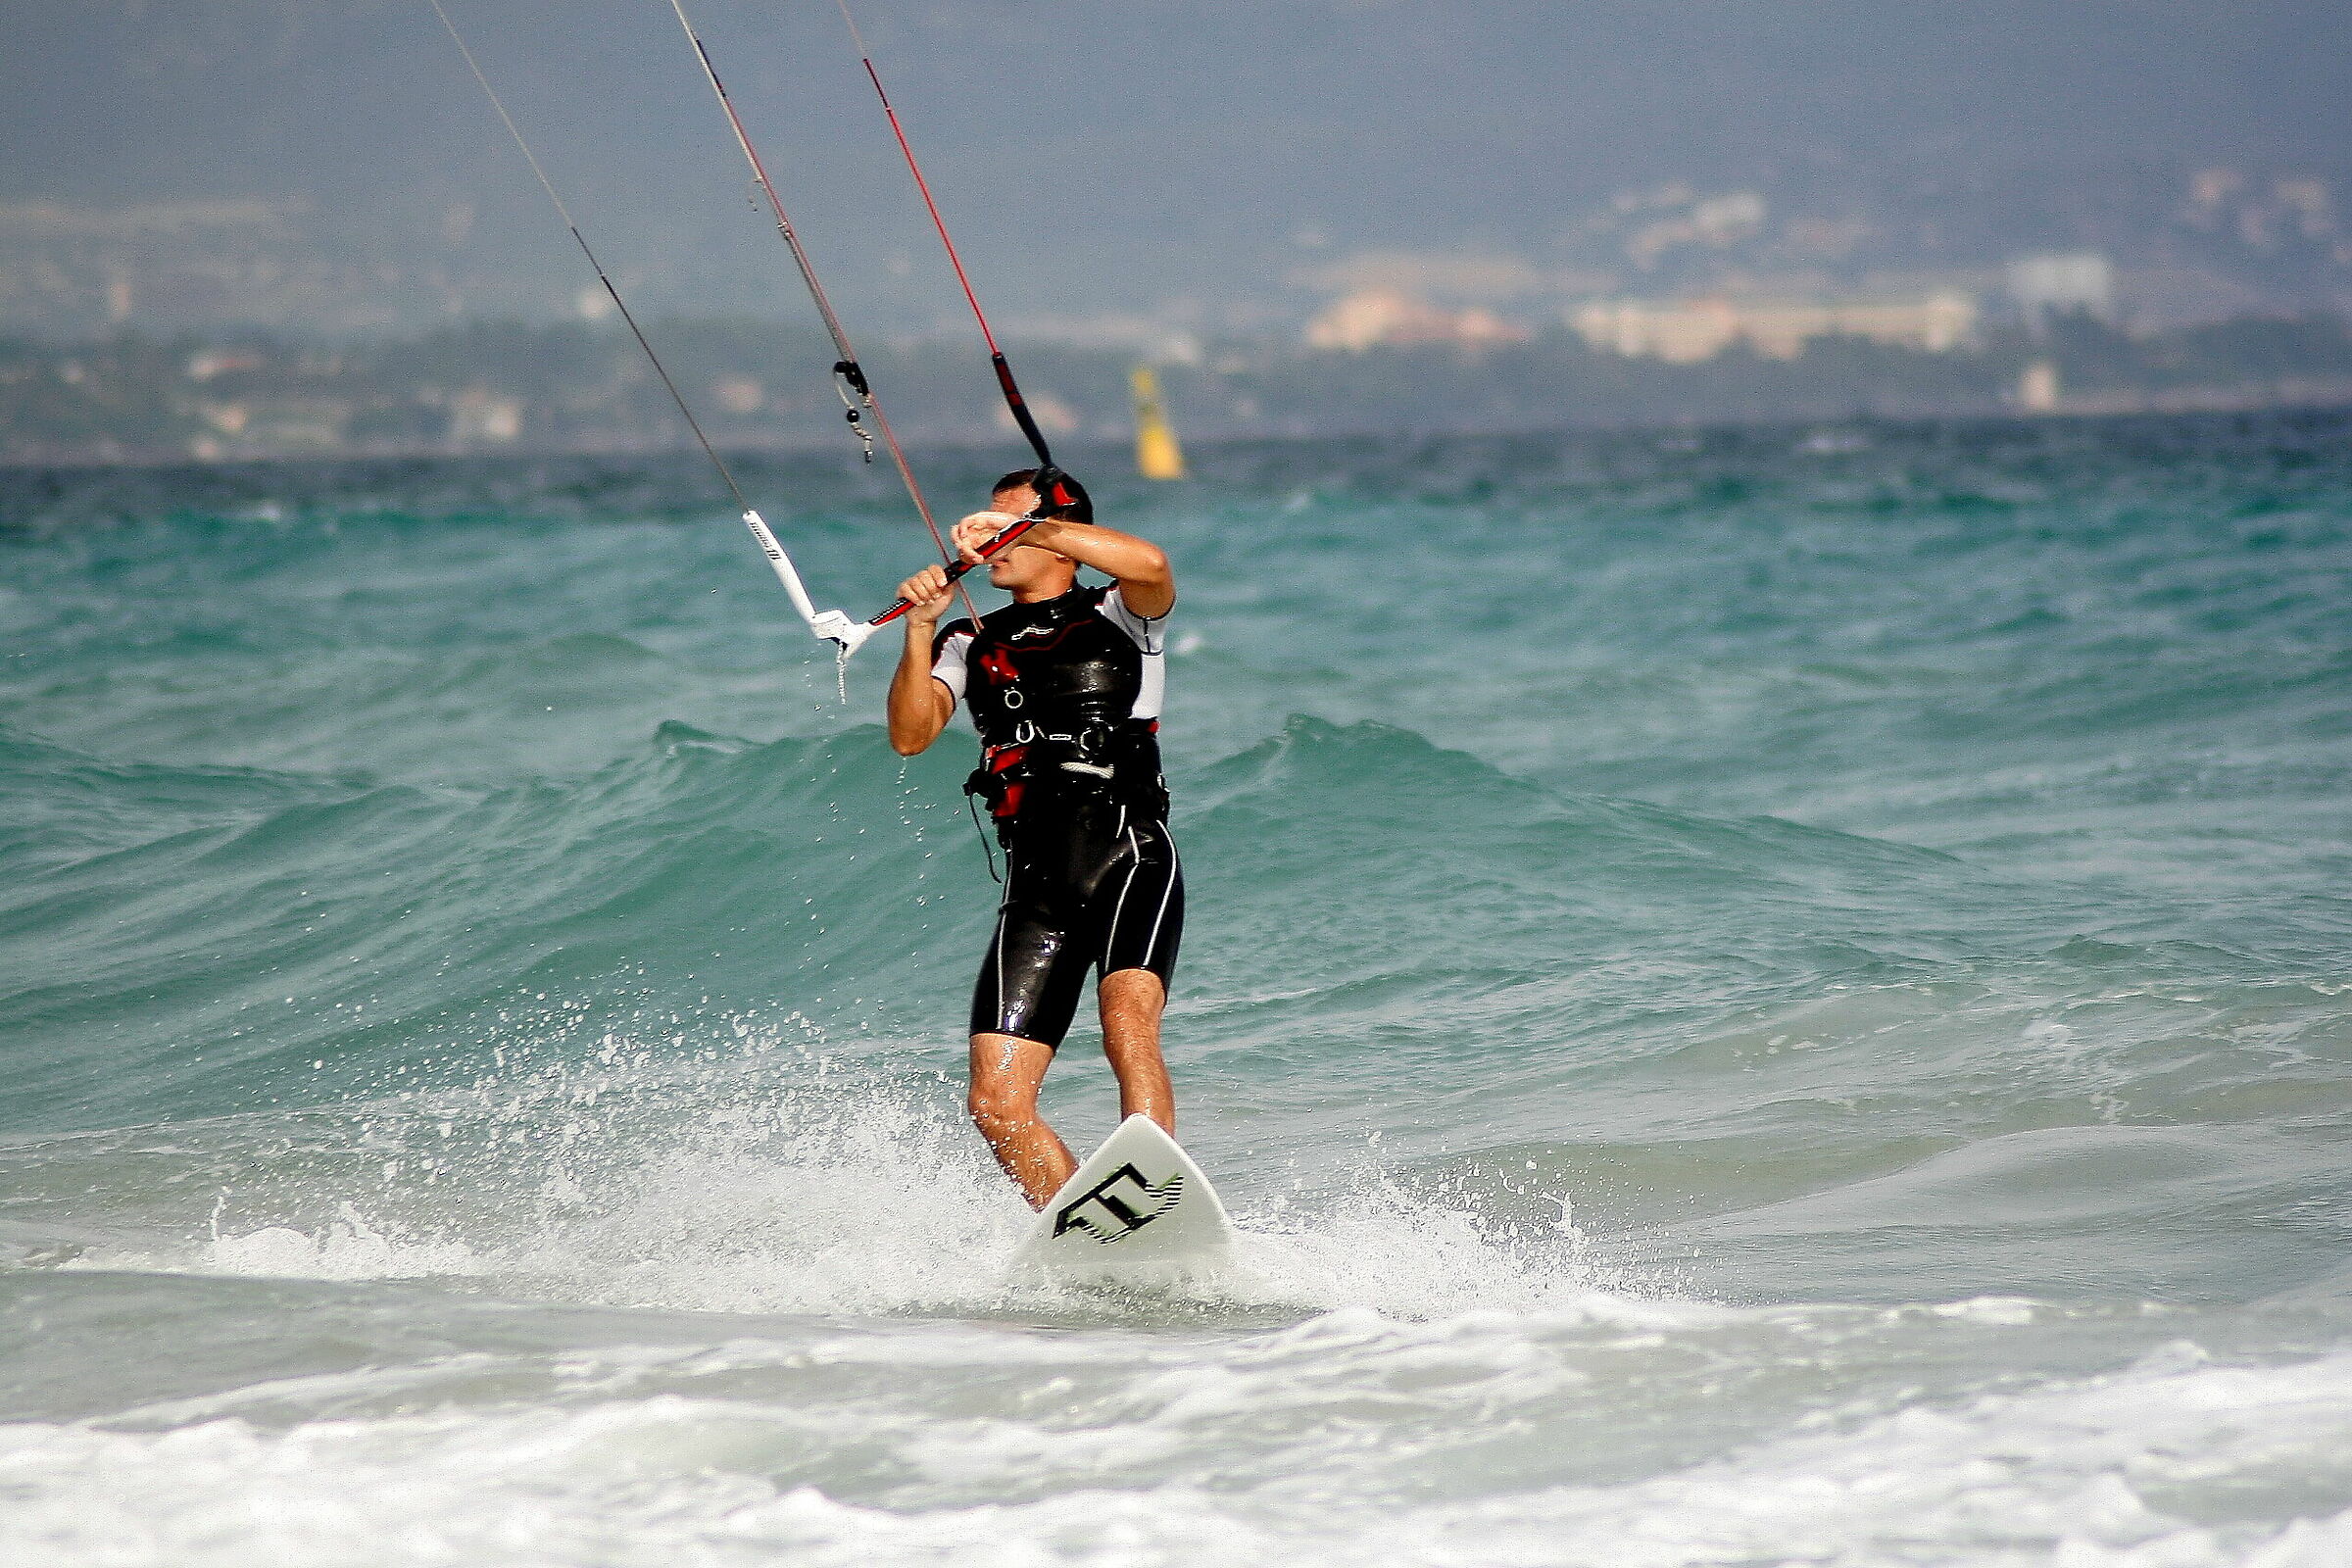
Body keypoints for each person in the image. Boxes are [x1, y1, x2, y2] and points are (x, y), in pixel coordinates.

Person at [886, 468, 1182, 1208]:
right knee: (994, 1099)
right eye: (985, 528)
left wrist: (1018, 524)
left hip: (1126, 850)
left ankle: (1152, 1195)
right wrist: (921, 626)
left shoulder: (1123, 613)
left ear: (1061, 534)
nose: (987, 544)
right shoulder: (966, 638)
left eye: (1006, 526)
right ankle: (1092, 1231)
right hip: (1034, 884)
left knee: (1127, 1027)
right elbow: (910, 734)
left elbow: (1152, 564)